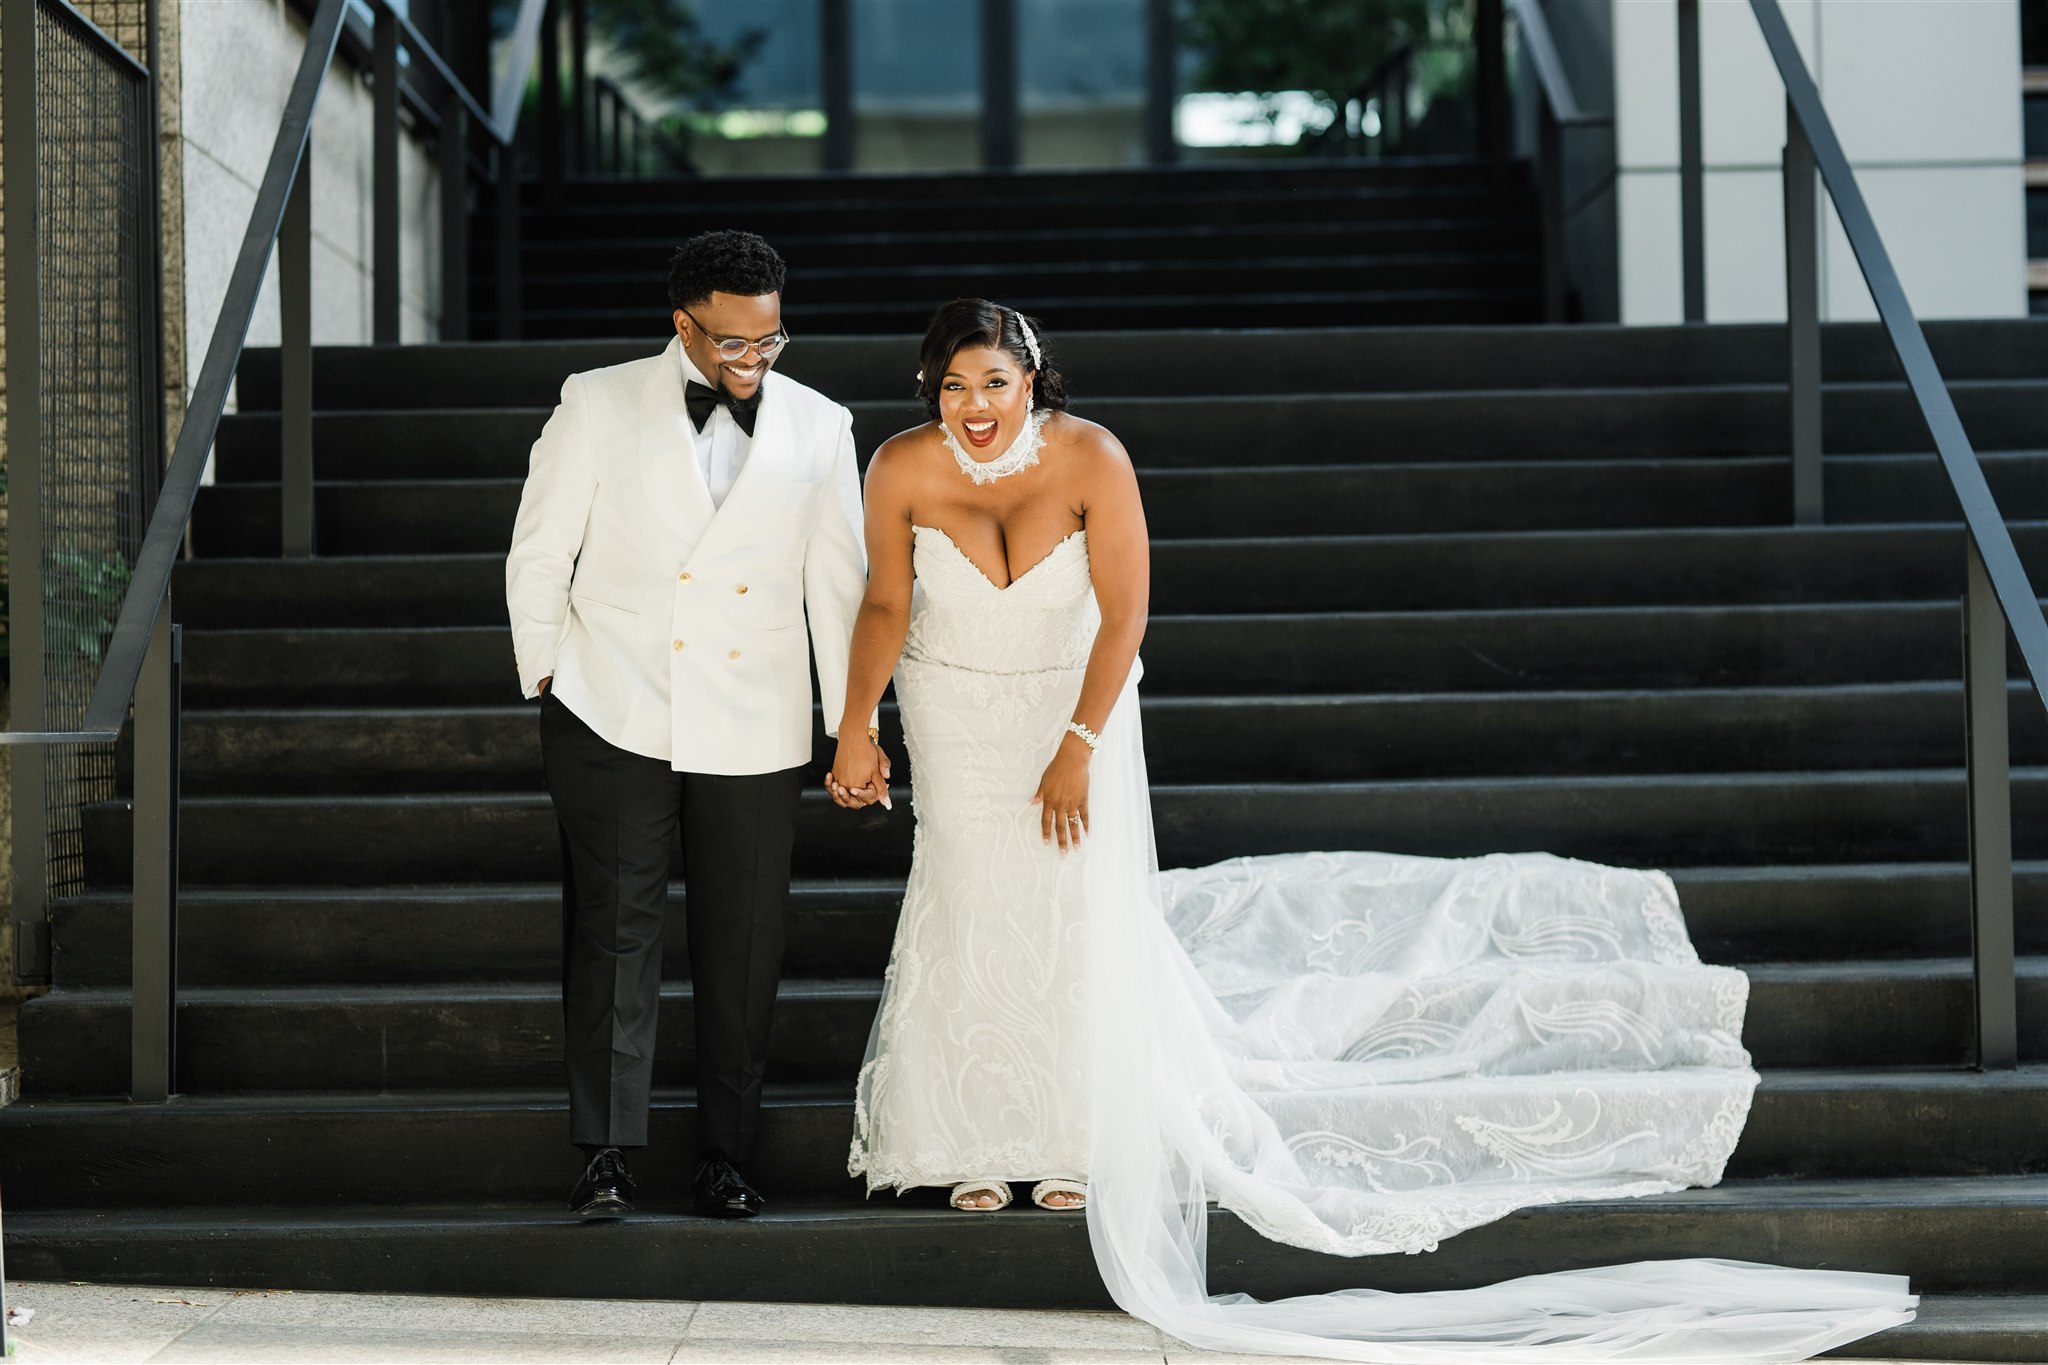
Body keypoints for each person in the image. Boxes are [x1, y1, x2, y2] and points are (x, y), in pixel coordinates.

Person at [825, 298, 1917, 1360]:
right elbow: (883, 604)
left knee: (1069, 902)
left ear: (1033, 381)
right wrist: (855, 726)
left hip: (1069, 700)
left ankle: (1066, 1134)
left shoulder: (1092, 458)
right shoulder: (901, 467)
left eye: (996, 384)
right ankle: (970, 1131)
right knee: (968, 891)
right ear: (931, 388)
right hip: (953, 704)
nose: (975, 405)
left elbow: (1126, 612)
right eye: (954, 386)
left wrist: (1076, 743)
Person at [506, 230, 877, 1221]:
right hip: (609, 699)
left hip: (754, 715)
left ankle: (726, 1153)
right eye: (730, 345)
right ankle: (604, 1156)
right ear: (682, 325)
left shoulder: (819, 425)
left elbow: (839, 588)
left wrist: (855, 724)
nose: (751, 364)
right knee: (612, 934)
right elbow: (540, 545)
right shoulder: (597, 400)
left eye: (769, 342)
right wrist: (543, 665)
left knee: (743, 943)